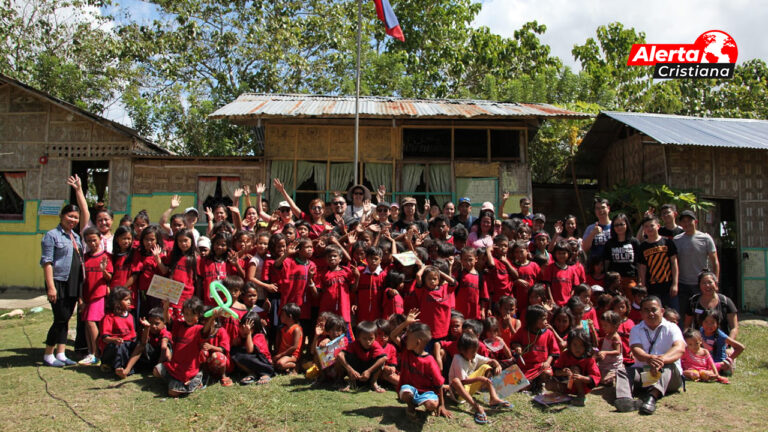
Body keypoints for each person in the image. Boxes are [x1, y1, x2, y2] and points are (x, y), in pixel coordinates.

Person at [614, 296, 685, 415]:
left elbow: (680, 348)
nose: (650, 313)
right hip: (646, 374)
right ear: (641, 313)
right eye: (646, 310)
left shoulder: (672, 328)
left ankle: (651, 398)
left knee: (669, 367)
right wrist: (649, 358)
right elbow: (636, 350)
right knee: (622, 371)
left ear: (662, 311)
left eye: (654, 309)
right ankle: (624, 399)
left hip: (670, 377)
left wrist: (661, 360)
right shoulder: (636, 329)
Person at [448, 332, 509, 424]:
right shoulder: (457, 359)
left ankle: (493, 398)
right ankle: (476, 406)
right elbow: (462, 382)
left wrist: (497, 364)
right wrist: (479, 379)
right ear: (463, 351)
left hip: (468, 390)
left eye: (475, 351)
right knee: (456, 381)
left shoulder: (474, 357)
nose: (475, 353)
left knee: (485, 367)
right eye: (472, 351)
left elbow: (489, 361)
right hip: (459, 394)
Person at [397, 322, 451, 419]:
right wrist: (406, 323)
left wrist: (441, 405)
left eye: (408, 338)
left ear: (417, 342)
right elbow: (393, 335)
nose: (405, 340)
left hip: (427, 392)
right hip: (411, 389)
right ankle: (411, 406)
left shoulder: (430, 361)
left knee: (431, 404)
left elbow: (439, 384)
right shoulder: (406, 351)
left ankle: (428, 406)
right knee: (406, 392)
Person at [154, 297, 206, 397]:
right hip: (175, 366)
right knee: (156, 371)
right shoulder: (179, 325)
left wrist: (213, 317)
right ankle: (175, 382)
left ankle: (195, 380)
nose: (189, 317)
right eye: (186, 314)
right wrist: (166, 308)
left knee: (172, 393)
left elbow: (206, 331)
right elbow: (168, 321)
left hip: (188, 370)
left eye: (192, 314)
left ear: (199, 315)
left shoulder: (199, 329)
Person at [674, 210, 720, 319]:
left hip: (701, 285)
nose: (687, 224)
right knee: (684, 313)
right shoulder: (677, 240)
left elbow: (715, 261)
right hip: (683, 283)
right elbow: (674, 262)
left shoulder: (705, 238)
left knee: (702, 314)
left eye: (689, 221)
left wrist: (715, 281)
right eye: (683, 221)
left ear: (696, 222)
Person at [510, 305, 560, 393]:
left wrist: (547, 362)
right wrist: (517, 346)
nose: (546, 321)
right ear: (533, 320)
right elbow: (514, 341)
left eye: (546, 319)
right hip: (525, 366)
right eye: (543, 319)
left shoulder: (548, 333)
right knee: (518, 387)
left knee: (547, 373)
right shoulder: (523, 331)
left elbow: (554, 352)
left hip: (541, 366)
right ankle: (531, 384)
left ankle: (539, 384)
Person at [549, 328, 601, 407]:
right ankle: (565, 395)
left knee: (575, 371)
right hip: (567, 385)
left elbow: (595, 377)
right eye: (575, 344)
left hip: (582, 387)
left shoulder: (589, 359)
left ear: (586, 345)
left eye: (581, 345)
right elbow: (556, 370)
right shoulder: (565, 355)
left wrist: (581, 377)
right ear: (569, 344)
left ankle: (581, 396)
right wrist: (564, 372)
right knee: (549, 385)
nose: (578, 348)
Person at [637, 216, 679, 312]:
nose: (649, 228)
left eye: (652, 225)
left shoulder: (667, 242)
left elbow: (674, 263)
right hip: (652, 287)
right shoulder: (643, 247)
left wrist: (675, 284)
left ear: (658, 226)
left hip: (668, 286)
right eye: (646, 226)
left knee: (673, 313)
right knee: (655, 312)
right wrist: (643, 285)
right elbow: (642, 267)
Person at [684, 270, 739, 339]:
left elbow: (734, 327)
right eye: (704, 283)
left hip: (721, 342)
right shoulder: (693, 302)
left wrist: (729, 345)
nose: (707, 285)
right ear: (699, 285)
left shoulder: (726, 302)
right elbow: (687, 326)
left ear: (716, 284)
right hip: (698, 344)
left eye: (710, 282)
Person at [335, 321, 388, 392]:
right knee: (340, 358)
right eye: (364, 338)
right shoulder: (354, 344)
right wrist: (350, 370)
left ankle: (374, 382)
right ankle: (342, 381)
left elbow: (384, 358)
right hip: (355, 370)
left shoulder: (375, 345)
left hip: (368, 370)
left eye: (370, 338)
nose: (368, 341)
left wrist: (369, 371)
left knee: (381, 360)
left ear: (375, 337)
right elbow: (340, 355)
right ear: (358, 337)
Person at [99, 287, 137, 378]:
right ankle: (116, 368)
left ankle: (126, 368)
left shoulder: (130, 316)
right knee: (119, 346)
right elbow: (105, 338)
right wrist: (114, 340)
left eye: (129, 299)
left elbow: (133, 336)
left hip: (127, 345)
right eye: (126, 300)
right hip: (114, 346)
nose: (129, 302)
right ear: (116, 302)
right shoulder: (109, 317)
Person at [603, 214, 640, 297]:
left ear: (627, 225)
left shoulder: (634, 242)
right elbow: (606, 263)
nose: (619, 227)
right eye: (616, 225)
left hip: (630, 279)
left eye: (621, 224)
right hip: (614, 281)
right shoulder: (609, 243)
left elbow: (639, 263)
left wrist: (640, 280)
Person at [274, 303, 303, 373]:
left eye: (283, 315)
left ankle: (295, 365)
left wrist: (280, 355)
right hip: (283, 354)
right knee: (270, 363)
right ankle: (286, 368)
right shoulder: (283, 328)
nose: (280, 316)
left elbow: (294, 347)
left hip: (292, 355)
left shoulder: (296, 329)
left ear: (290, 316)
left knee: (280, 363)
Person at [597, 310, 624, 386]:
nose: (603, 328)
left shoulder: (615, 337)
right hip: (605, 363)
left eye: (605, 325)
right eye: (602, 325)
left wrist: (605, 352)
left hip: (613, 364)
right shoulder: (608, 335)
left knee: (605, 380)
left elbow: (617, 351)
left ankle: (614, 376)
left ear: (614, 325)